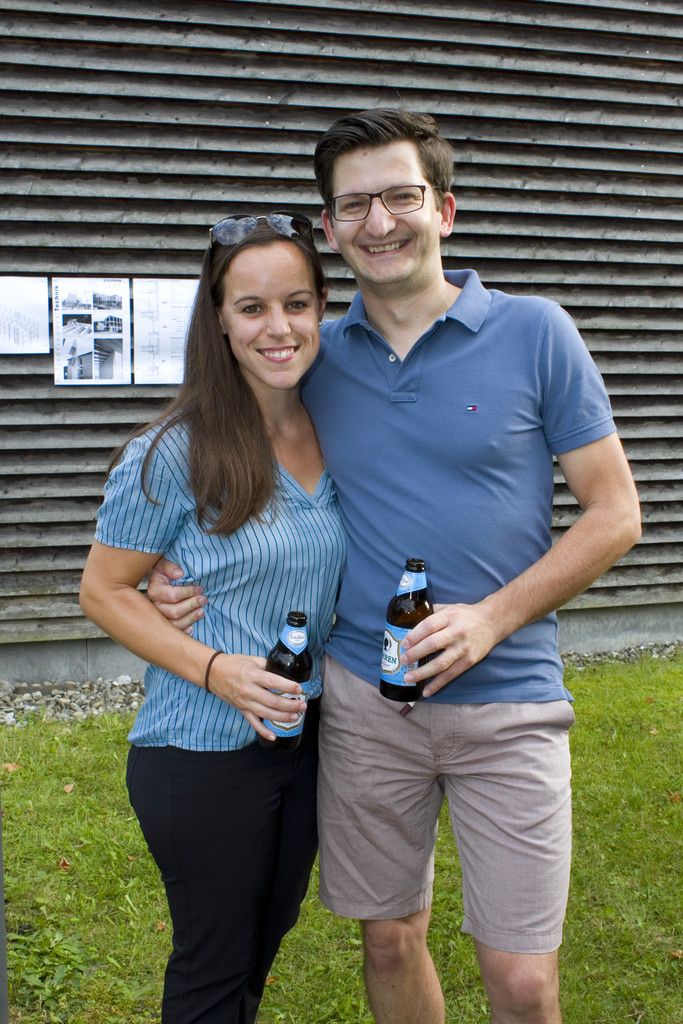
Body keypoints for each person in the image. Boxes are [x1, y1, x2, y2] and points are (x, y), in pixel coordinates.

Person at [148, 109, 641, 1024]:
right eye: (354, 205)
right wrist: (163, 571)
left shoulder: (536, 333)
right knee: (388, 939)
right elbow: (221, 465)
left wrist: (490, 617)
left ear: (443, 209)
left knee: (523, 980)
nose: (378, 222)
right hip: (364, 704)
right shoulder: (312, 356)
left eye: (400, 197)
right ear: (330, 229)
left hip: (510, 699)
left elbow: (615, 515)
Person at [79, 212, 346, 1024]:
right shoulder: (175, 451)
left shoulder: (337, 428)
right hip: (200, 750)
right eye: (252, 307)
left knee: (260, 944)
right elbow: (103, 590)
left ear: (321, 308)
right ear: (220, 320)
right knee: (214, 965)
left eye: (296, 304)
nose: (278, 328)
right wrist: (215, 668)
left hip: (303, 738)